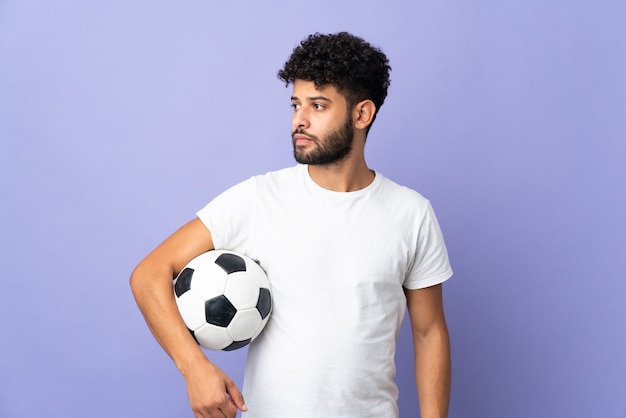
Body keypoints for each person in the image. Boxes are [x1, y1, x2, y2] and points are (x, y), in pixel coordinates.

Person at [130, 32, 452, 418]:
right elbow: (149, 274)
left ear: (362, 114)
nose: (299, 120)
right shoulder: (258, 198)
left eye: (318, 105)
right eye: (296, 104)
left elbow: (429, 331)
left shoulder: (411, 213)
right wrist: (194, 367)